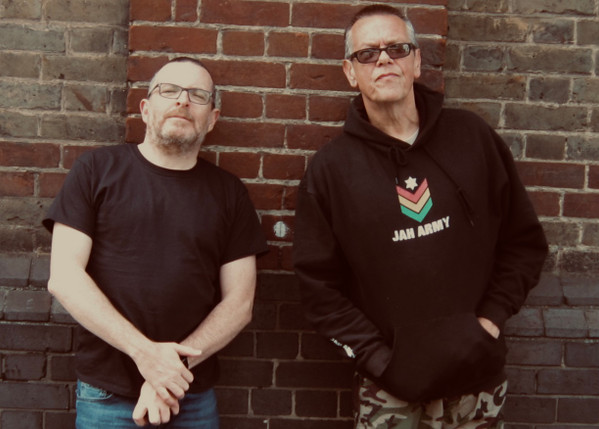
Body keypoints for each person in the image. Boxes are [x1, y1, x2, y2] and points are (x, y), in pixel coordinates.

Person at [293, 5, 548, 428]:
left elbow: (523, 243)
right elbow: (319, 287)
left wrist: (488, 322)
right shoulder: (331, 170)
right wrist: (378, 358)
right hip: (388, 389)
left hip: (476, 377)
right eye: (367, 54)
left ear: (416, 62)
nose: (384, 60)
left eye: (397, 48)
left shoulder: (472, 138)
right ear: (350, 72)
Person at [44, 57, 268, 428]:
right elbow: (65, 278)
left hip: (190, 393)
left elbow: (240, 303)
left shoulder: (229, 193)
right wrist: (145, 354)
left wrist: (171, 370)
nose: (183, 100)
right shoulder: (95, 170)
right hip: (106, 396)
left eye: (198, 95)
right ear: (146, 109)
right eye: (170, 90)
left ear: (212, 118)